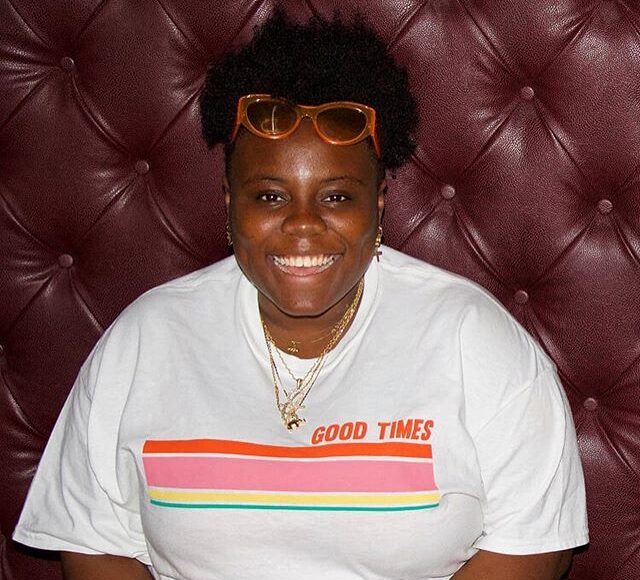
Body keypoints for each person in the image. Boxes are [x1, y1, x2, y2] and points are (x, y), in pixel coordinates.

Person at [13, 10, 588, 580]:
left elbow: (532, 544)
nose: (303, 225)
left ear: (378, 203)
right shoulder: (147, 339)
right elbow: (96, 542)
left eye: (336, 197)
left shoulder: (472, 338)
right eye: (270, 196)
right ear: (229, 201)